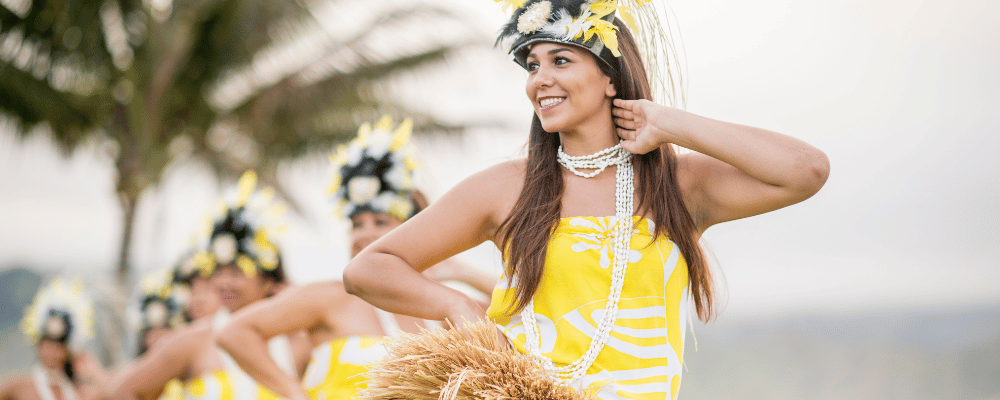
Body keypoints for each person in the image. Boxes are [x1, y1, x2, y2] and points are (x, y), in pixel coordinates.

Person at [341, 0, 830, 398]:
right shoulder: (507, 188)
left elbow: (805, 171)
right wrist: (463, 310)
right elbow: (369, 267)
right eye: (532, 65)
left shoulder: (677, 186)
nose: (539, 79)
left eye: (560, 61)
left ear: (610, 78)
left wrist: (670, 123)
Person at [217, 116, 497, 400]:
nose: (363, 234)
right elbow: (235, 333)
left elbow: (526, 312)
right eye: (356, 224)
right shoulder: (330, 297)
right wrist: (295, 395)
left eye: (380, 222)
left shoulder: (449, 306)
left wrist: (463, 272)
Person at [109, 171, 312, 400]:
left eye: (236, 273)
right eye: (217, 272)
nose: (224, 283)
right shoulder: (190, 341)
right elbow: (126, 391)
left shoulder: (299, 343)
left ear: (269, 282)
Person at [0, 278, 107, 400]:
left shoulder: (78, 389)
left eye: (57, 347)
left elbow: (107, 392)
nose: (50, 352)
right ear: (38, 345)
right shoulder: (20, 386)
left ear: (68, 349)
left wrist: (92, 368)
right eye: (46, 345)